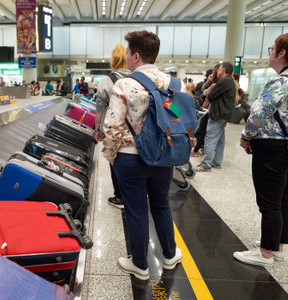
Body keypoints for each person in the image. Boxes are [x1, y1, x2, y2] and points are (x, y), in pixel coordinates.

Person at [102, 30, 183, 281]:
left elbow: (112, 126)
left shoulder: (124, 84)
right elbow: (177, 117)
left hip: (130, 157)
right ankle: (170, 255)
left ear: (136, 56)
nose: (125, 56)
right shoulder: (172, 83)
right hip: (163, 156)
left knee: (136, 210)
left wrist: (111, 155)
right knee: (161, 205)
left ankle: (140, 265)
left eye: (127, 52)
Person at [234, 31, 288, 267]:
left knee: (269, 202)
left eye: (272, 48)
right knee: (283, 197)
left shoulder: (280, 82)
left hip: (272, 146)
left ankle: (265, 253)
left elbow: (259, 113)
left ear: (282, 52)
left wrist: (246, 136)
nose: (270, 52)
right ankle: (277, 245)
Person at [95, 44, 130, 209]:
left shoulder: (107, 80)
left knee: (114, 160)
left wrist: (97, 129)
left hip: (114, 130)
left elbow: (100, 107)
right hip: (136, 131)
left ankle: (120, 197)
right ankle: (136, 193)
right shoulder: (139, 78)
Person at [196, 62, 236, 171]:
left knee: (210, 138)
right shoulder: (229, 81)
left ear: (223, 70)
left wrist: (211, 90)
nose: (217, 72)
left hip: (218, 115)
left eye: (219, 70)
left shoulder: (224, 81)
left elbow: (211, 95)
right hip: (222, 115)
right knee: (220, 141)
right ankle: (217, 162)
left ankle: (206, 164)